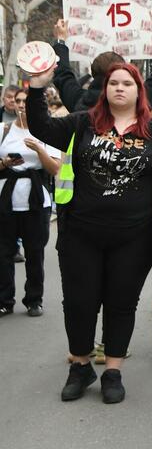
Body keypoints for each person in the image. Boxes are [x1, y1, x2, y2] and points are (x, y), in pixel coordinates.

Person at [26, 62, 152, 403]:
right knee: (79, 304)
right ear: (105, 89)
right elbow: (40, 126)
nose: (120, 88)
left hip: (133, 239)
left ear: (139, 91)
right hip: (81, 235)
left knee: (121, 304)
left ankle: (113, 371)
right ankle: (80, 366)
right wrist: (37, 87)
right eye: (114, 83)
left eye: (127, 83)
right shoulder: (83, 123)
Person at [1, 88, 61, 317]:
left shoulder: (47, 132)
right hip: (6, 200)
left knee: (35, 253)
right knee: (3, 254)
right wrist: (5, 164)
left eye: (25, 101)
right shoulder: (4, 130)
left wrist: (38, 149)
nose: (21, 105)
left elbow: (55, 168)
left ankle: (34, 300)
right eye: (18, 101)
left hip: (37, 201)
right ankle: (4, 300)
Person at [51, 17, 152, 113]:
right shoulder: (138, 102)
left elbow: (62, 75)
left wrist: (60, 41)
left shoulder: (78, 101)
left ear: (93, 71)